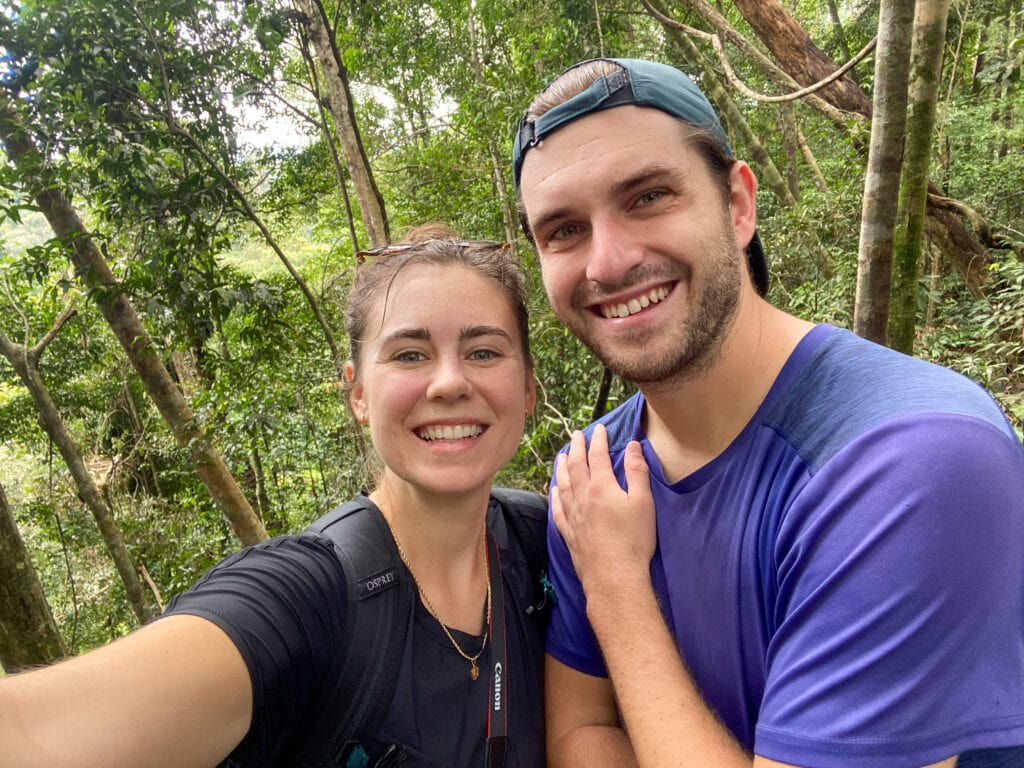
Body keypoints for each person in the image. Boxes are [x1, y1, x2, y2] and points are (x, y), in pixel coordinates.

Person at [513, 57, 1024, 768]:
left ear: (738, 205)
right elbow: (581, 735)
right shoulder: (594, 476)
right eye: (563, 230)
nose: (606, 261)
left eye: (649, 196)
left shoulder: (913, 460)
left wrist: (617, 588)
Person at [0, 230, 547, 767]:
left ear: (527, 388)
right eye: (409, 355)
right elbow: (36, 734)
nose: (449, 382)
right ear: (358, 394)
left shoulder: (550, 542)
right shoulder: (309, 596)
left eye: (482, 351)